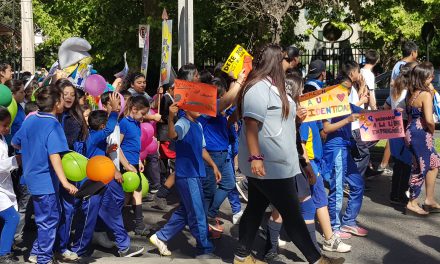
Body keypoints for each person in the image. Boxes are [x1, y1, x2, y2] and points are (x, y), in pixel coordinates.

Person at [233, 44, 340, 264]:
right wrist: (255, 158)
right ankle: (317, 260)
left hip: (278, 163)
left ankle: (242, 256)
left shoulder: (274, 86)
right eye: (284, 60)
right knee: (292, 213)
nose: (289, 63)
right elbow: (251, 123)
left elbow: (278, 122)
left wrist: (297, 118)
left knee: (254, 209)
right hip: (269, 165)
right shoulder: (257, 88)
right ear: (274, 61)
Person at [12, 85, 78, 264]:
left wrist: (31, 150)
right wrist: (65, 182)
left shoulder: (30, 119)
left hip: (32, 178)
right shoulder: (53, 124)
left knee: (47, 219)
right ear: (57, 103)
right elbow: (55, 155)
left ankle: (36, 253)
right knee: (49, 221)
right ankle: (43, 259)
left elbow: (16, 142)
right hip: (46, 181)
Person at [149, 102, 221, 258]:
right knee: (197, 213)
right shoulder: (183, 122)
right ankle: (204, 247)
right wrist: (171, 116)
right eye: (195, 106)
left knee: (185, 211)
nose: (200, 109)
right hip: (187, 174)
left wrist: (213, 165)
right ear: (186, 108)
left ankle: (161, 237)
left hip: (195, 174)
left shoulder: (198, 125)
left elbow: (201, 149)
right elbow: (173, 135)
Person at [322, 61, 367, 239]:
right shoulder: (335, 93)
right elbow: (327, 128)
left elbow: (352, 110)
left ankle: (349, 222)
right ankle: (333, 226)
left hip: (345, 147)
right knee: (338, 188)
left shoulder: (345, 91)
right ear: (352, 73)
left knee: (357, 184)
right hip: (336, 149)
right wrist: (349, 120)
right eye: (358, 72)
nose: (360, 75)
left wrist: (385, 117)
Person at [199, 72, 245, 233]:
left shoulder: (218, 109)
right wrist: (238, 81)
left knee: (228, 184)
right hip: (212, 154)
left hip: (223, 153)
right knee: (209, 191)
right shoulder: (206, 106)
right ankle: (202, 224)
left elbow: (231, 108)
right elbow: (227, 100)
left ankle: (208, 214)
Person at [53, 79, 89, 261]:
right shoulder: (51, 116)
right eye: (64, 93)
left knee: (68, 209)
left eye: (72, 94)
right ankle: (44, 248)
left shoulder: (76, 116)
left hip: (71, 168)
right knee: (52, 210)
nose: (68, 97)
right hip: (50, 168)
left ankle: (61, 246)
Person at [405, 62, 440, 215]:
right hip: (421, 134)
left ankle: (429, 199)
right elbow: (430, 119)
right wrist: (431, 130)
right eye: (430, 75)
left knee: (434, 162)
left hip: (412, 132)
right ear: (424, 77)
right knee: (421, 167)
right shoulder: (424, 94)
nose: (432, 78)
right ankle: (412, 202)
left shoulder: (413, 93)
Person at [384, 62, 417, 205]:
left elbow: (387, 106)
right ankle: (402, 194)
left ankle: (394, 193)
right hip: (404, 125)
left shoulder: (394, 88)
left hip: (394, 125)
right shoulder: (407, 92)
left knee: (398, 162)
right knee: (406, 162)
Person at [119, 95, 151, 236]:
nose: (143, 117)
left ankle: (139, 224)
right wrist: (126, 165)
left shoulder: (137, 123)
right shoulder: (124, 123)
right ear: (134, 109)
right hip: (126, 165)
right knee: (125, 196)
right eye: (142, 114)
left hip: (133, 164)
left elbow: (135, 145)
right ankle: (114, 223)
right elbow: (116, 146)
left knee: (136, 193)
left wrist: (138, 160)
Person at [0, 107, 21, 263]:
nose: (7, 128)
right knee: (12, 217)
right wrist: (15, 161)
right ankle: (4, 253)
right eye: (4, 125)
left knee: (10, 216)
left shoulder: (1, 138)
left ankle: (5, 246)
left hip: (4, 185)